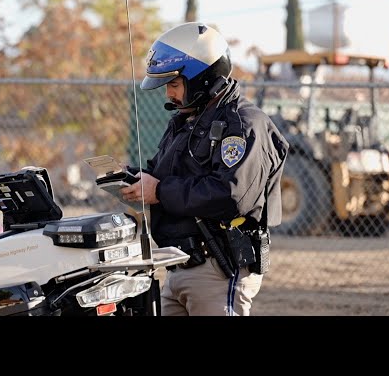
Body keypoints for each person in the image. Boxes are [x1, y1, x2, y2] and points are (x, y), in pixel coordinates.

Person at [120, 22, 289, 316]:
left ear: (201, 78)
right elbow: (166, 176)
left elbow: (230, 195)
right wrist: (132, 179)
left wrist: (158, 191)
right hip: (179, 266)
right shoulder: (187, 121)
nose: (168, 94)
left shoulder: (243, 125)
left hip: (217, 270)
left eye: (174, 84)